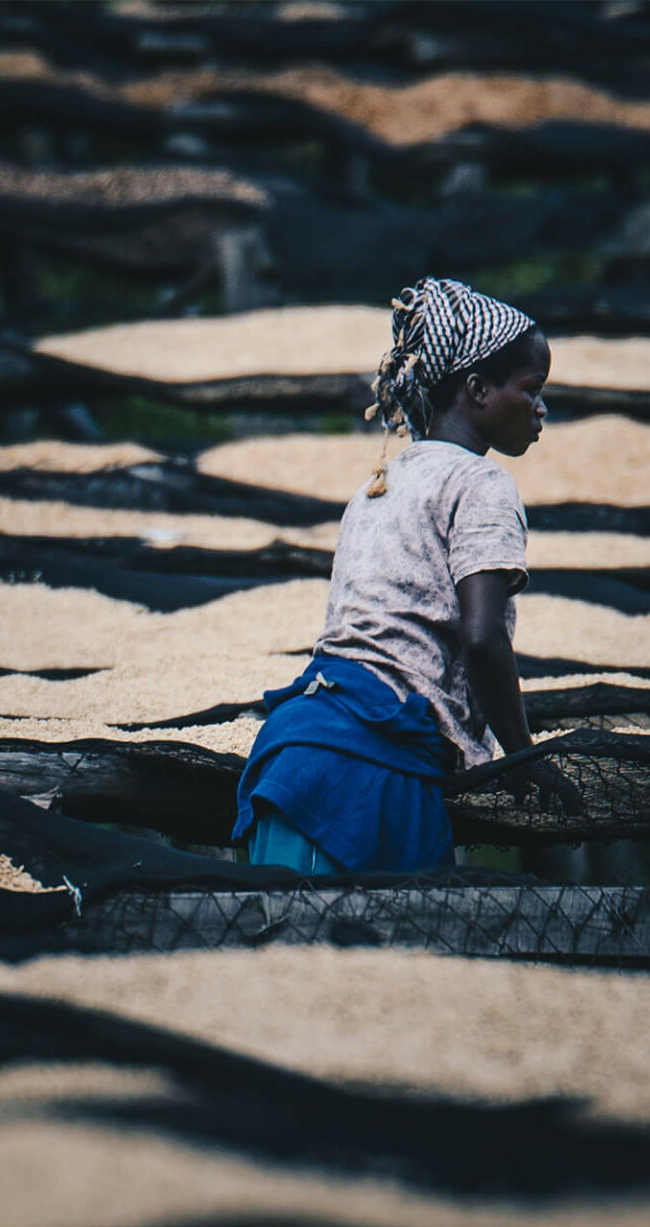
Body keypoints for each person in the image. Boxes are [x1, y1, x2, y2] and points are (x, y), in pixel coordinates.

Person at [232, 277, 549, 874]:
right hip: (368, 775)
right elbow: (482, 638)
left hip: (291, 752)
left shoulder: (376, 487)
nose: (541, 409)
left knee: (278, 960)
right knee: (373, 961)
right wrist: (522, 757)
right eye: (531, 390)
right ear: (477, 390)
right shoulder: (480, 484)